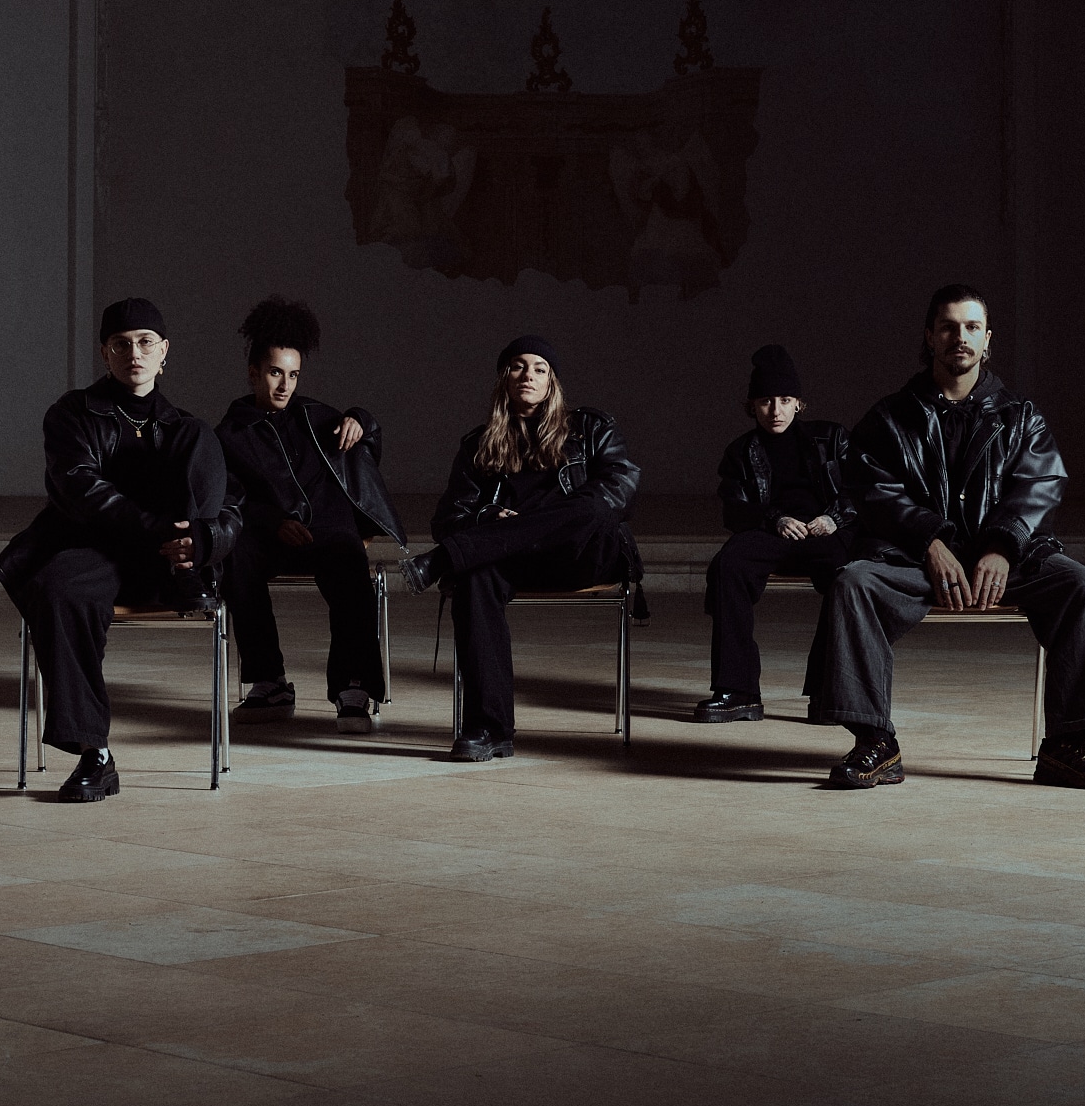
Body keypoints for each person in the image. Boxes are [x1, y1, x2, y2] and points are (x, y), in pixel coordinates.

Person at [812, 283, 1085, 791]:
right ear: (930, 337)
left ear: (987, 340)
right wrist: (930, 541)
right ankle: (875, 743)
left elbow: (1040, 484)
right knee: (854, 583)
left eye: (972, 328)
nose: (961, 337)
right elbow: (870, 488)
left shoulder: (1021, 417)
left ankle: (1066, 747)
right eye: (949, 327)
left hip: (1005, 558)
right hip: (912, 557)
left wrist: (1002, 545)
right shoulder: (889, 417)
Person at [0, 298, 242, 803]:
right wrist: (159, 531)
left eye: (147, 342)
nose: (135, 352)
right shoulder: (72, 414)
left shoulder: (188, 430)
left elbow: (232, 509)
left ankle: (189, 574)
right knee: (58, 588)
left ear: (165, 351)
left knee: (198, 433)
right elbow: (80, 488)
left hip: (172, 565)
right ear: (104, 353)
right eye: (122, 344)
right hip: (94, 547)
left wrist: (205, 541)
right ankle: (95, 755)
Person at [397, 336, 642, 761]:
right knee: (475, 577)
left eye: (539, 368)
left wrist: (498, 530)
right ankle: (489, 729)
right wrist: (488, 517)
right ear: (503, 378)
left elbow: (621, 490)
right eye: (517, 366)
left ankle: (442, 561)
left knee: (593, 508)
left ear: (552, 382)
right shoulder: (477, 444)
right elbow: (447, 519)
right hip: (518, 560)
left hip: (583, 555)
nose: (528, 375)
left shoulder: (591, 428)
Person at [216, 296, 406, 733]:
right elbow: (228, 497)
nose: (285, 385)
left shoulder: (315, 415)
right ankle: (270, 681)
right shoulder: (228, 435)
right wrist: (271, 522)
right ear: (253, 373)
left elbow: (364, 448)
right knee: (236, 556)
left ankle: (353, 686)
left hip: (326, 530)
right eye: (275, 372)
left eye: (294, 374)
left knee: (346, 555)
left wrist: (361, 419)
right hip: (272, 535)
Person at [698, 344, 859, 722]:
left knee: (849, 575)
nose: (776, 410)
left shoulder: (832, 438)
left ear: (799, 404)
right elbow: (734, 509)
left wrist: (834, 516)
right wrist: (776, 520)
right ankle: (738, 691)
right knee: (729, 565)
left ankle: (826, 691)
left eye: (785, 400)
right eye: (766, 401)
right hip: (773, 531)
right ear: (751, 406)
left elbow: (863, 490)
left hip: (826, 532)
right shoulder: (740, 451)